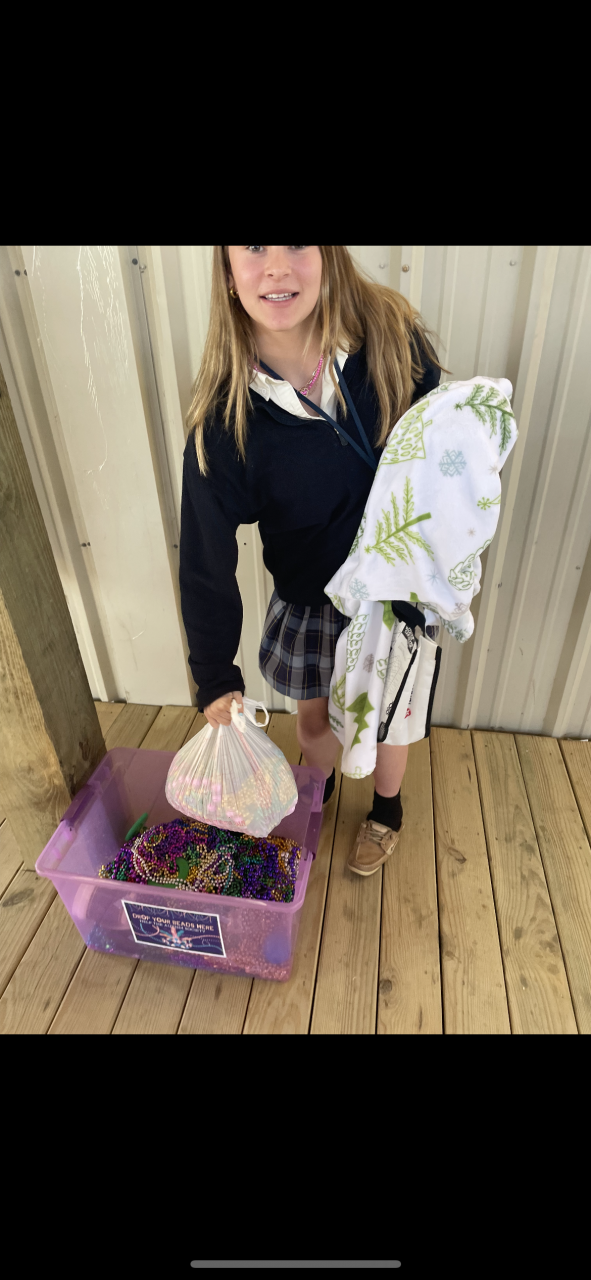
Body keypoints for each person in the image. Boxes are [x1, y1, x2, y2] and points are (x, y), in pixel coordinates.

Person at [179, 246, 446, 876]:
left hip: (396, 595)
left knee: (389, 724)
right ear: (227, 271)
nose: (276, 266)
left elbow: (444, 439)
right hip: (313, 598)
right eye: (253, 246)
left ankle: (387, 810)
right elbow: (206, 554)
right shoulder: (225, 420)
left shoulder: (389, 335)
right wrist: (214, 673)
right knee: (315, 722)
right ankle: (316, 790)